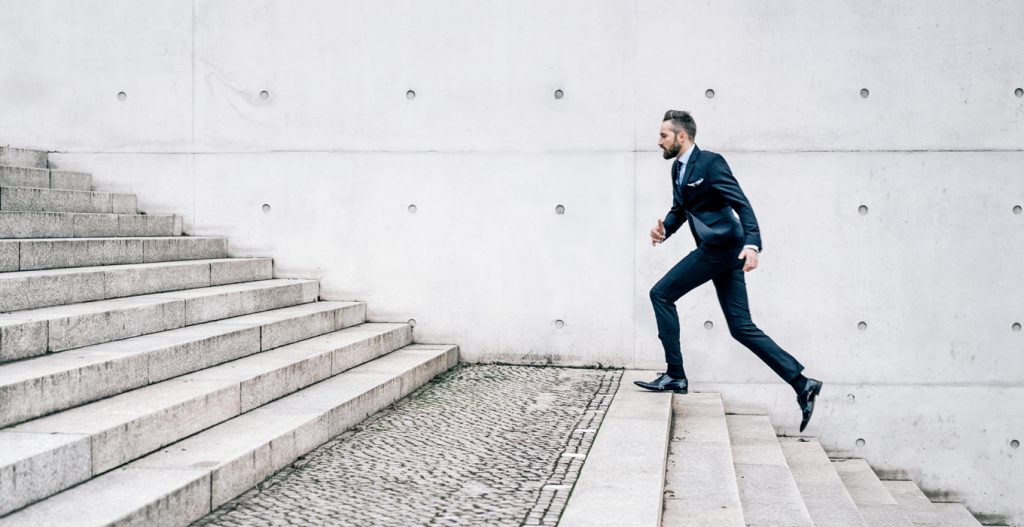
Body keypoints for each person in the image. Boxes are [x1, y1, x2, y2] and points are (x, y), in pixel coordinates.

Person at [635, 110, 822, 432]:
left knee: (661, 294)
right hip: (721, 250)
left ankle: (675, 375)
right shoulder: (678, 168)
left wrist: (753, 244)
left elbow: (742, 203)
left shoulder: (711, 162)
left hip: (722, 248)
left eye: (663, 135)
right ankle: (802, 383)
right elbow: (681, 209)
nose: (658, 141)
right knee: (741, 326)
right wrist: (664, 229)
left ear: (682, 136)